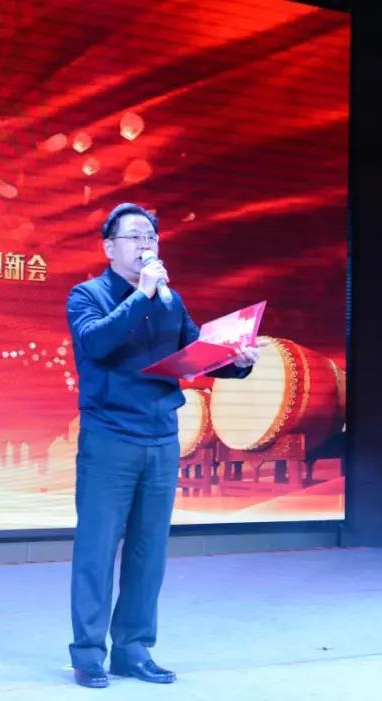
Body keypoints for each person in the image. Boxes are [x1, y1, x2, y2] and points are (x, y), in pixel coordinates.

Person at [65, 202, 261, 688]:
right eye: (134, 236)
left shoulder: (171, 302)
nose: (145, 245)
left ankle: (133, 649)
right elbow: (97, 344)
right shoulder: (87, 295)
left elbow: (197, 354)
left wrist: (238, 360)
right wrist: (142, 295)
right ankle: (88, 654)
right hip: (110, 437)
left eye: (151, 237)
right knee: (97, 549)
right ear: (109, 248)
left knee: (148, 550)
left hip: (161, 437)